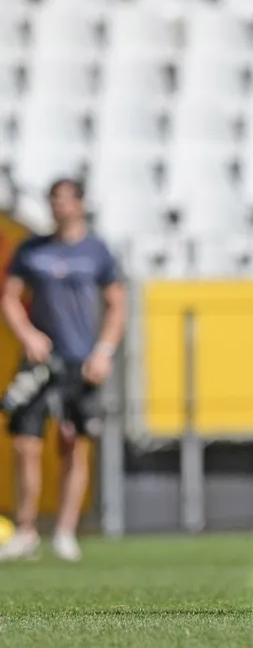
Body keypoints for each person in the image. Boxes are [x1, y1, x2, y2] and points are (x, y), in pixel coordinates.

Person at [0, 178, 125, 562]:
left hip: (81, 363)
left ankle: (65, 532)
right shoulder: (32, 249)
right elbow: (8, 298)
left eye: (64, 199)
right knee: (25, 443)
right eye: (52, 199)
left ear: (80, 204)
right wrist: (28, 335)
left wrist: (103, 352)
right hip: (40, 362)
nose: (58, 206)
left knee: (74, 443)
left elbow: (117, 304)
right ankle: (26, 531)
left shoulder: (96, 251)